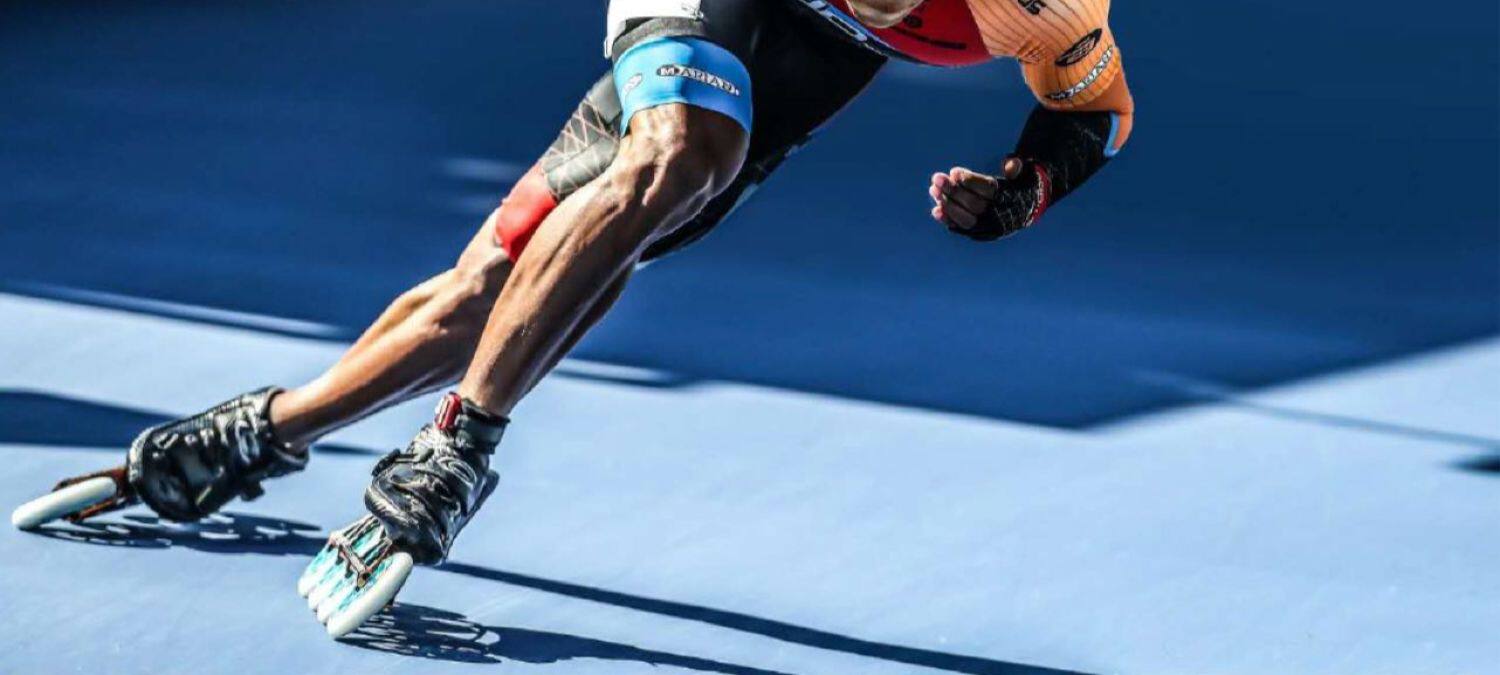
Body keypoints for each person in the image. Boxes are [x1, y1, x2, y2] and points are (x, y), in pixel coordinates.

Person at [123, 0, 1136, 566]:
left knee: (500, 288)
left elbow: (1098, 109)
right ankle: (458, 443)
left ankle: (261, 431)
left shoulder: (1040, 8)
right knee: (680, 158)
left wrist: (1025, 190)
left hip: (815, 58)